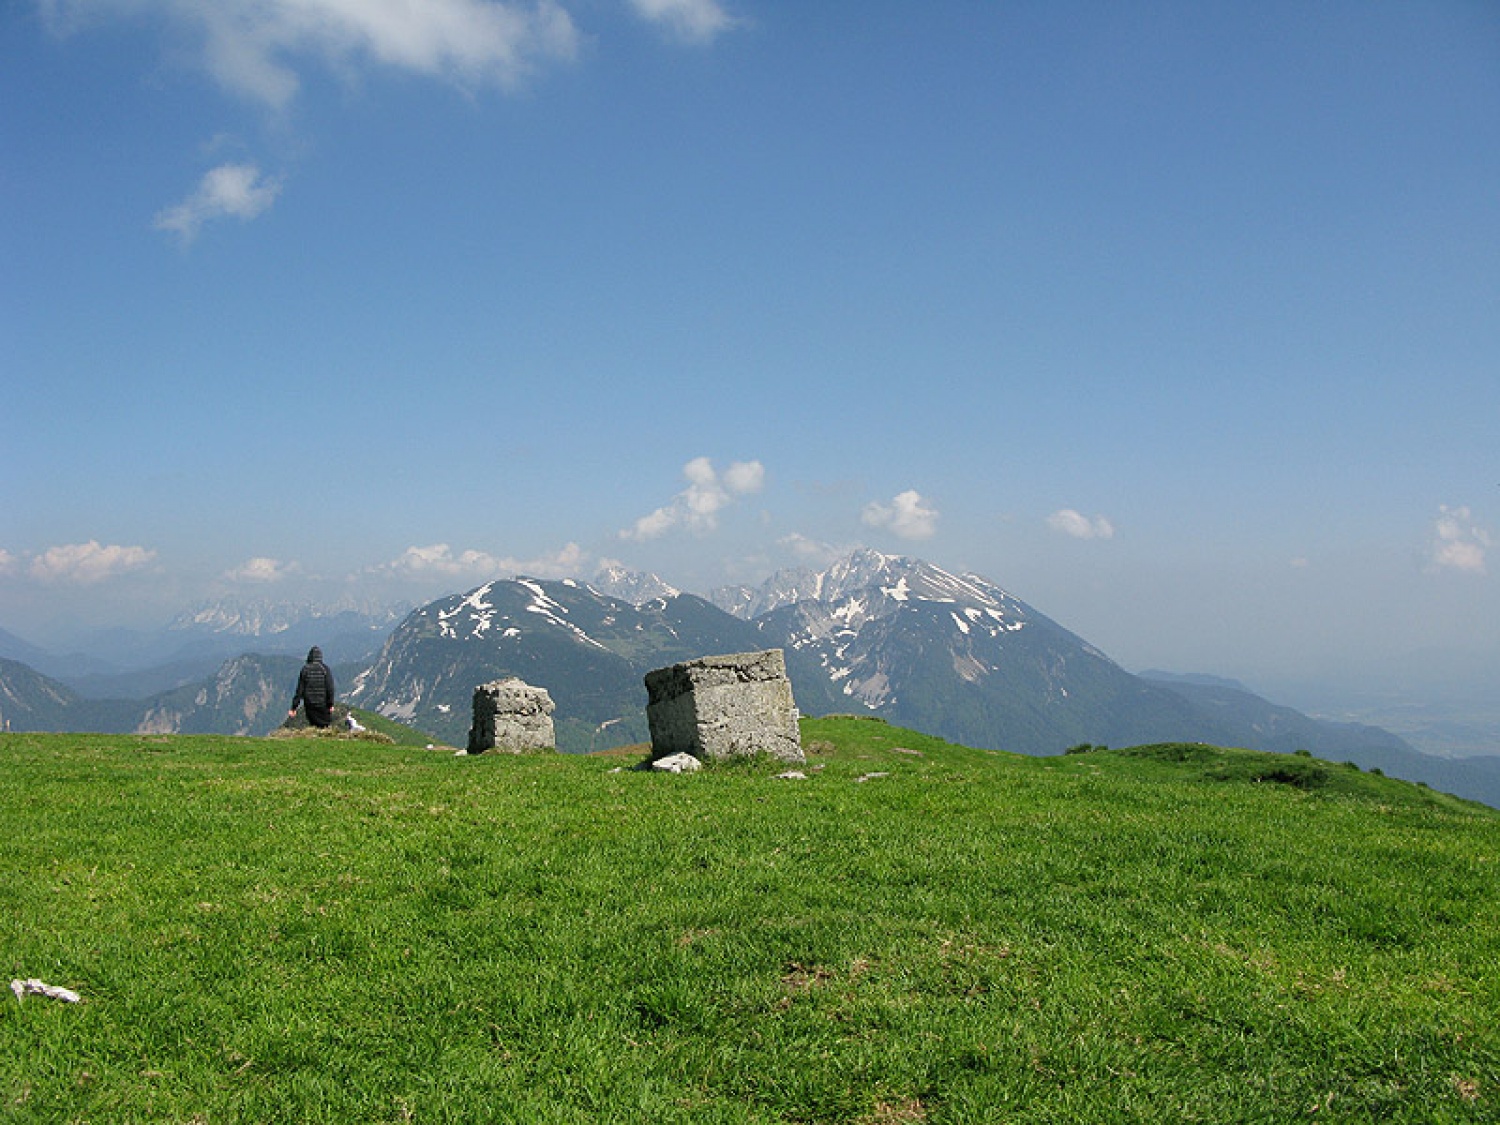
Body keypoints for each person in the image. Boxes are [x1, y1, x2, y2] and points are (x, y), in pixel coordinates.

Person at [289, 646, 336, 728]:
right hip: (323, 704)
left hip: (310, 705)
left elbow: (299, 690)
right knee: (324, 726)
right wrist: (330, 704)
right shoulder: (325, 669)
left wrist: (294, 707)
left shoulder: (305, 670)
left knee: (313, 724)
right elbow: (330, 688)